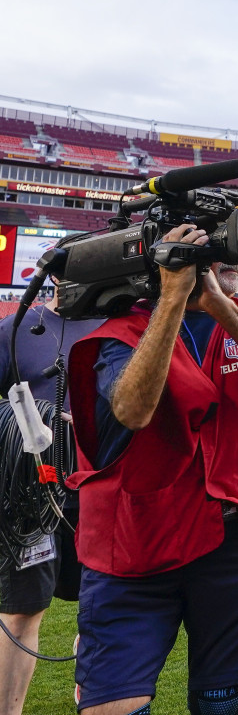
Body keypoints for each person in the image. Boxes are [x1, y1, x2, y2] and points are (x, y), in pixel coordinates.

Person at [66, 225, 238, 715]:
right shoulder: (122, 329)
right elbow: (132, 411)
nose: (236, 260)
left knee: (220, 700)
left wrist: (219, 305)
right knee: (113, 704)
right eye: (217, 250)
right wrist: (173, 299)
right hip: (138, 547)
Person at [0, 285, 95, 715]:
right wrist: (34, 416)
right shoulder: (15, 329)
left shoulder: (121, 322)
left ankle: (94, 687)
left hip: (103, 491)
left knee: (104, 605)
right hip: (34, 496)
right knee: (21, 612)